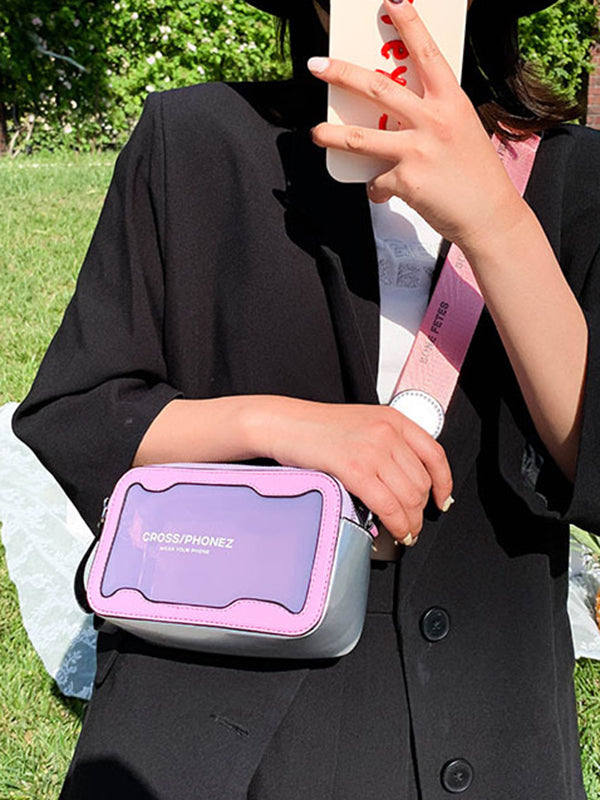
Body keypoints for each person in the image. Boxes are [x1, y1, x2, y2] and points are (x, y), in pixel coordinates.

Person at [12, 0, 600, 796]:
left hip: (490, 724)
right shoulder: (195, 139)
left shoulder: (572, 176)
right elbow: (79, 412)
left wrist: (496, 221)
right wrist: (281, 426)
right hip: (218, 716)